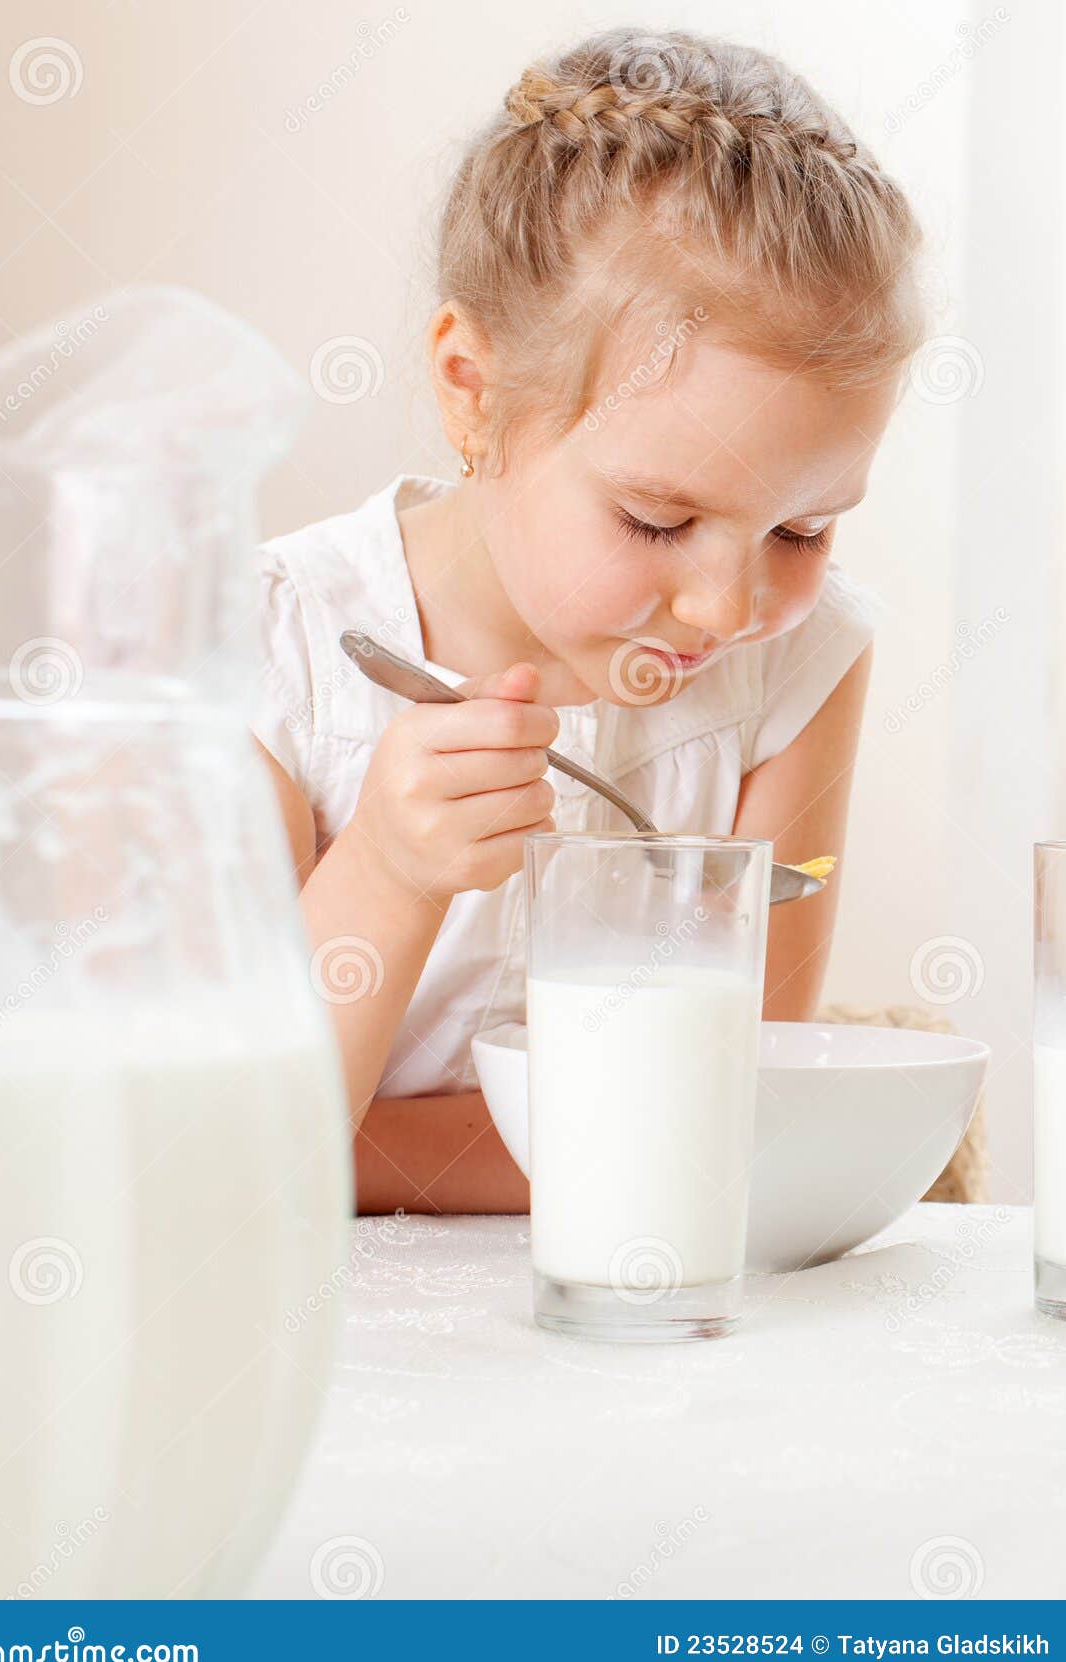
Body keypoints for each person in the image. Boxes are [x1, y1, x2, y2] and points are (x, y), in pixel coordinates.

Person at [252, 27, 924, 1215]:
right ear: (473, 388)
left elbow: (724, 1122)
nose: (730, 607)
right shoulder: (269, 646)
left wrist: (369, 1155)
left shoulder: (799, 668)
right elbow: (230, 1148)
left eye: (801, 531)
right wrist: (389, 872)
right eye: (657, 522)